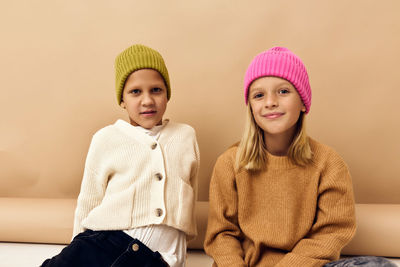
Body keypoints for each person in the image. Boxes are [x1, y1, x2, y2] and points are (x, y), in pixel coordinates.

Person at [204, 47, 396, 267]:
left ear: (303, 102)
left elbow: (330, 233)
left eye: (283, 91)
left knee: (378, 266)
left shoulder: (328, 163)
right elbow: (222, 235)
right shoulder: (230, 163)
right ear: (251, 108)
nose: (270, 102)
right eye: (259, 95)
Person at [42, 44, 200, 267]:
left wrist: (178, 257)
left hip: (155, 259)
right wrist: (76, 249)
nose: (147, 100)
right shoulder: (106, 138)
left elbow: (189, 199)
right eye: (135, 92)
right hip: (102, 242)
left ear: (167, 94)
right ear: (122, 100)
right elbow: (89, 199)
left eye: (156, 90)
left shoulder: (185, 136)